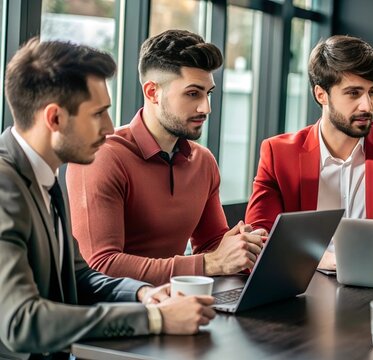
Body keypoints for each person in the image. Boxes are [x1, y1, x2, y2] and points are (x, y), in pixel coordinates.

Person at [0, 39, 216, 360]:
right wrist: (154, 319)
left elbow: (78, 276)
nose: (110, 127)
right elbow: (20, 322)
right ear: (55, 118)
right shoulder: (6, 187)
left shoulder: (42, 175)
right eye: (98, 114)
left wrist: (144, 294)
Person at [66, 29, 265, 286]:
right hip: (120, 315)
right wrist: (209, 263)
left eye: (209, 93)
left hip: (181, 304)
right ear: (152, 93)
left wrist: (242, 246)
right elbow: (102, 265)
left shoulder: (203, 161)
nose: (206, 108)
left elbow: (212, 244)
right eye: (193, 93)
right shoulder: (102, 157)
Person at [244, 35, 373, 270]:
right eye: (353, 93)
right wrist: (323, 261)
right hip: (301, 287)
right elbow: (257, 243)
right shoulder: (278, 154)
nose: (367, 106)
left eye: (372, 92)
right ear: (321, 95)